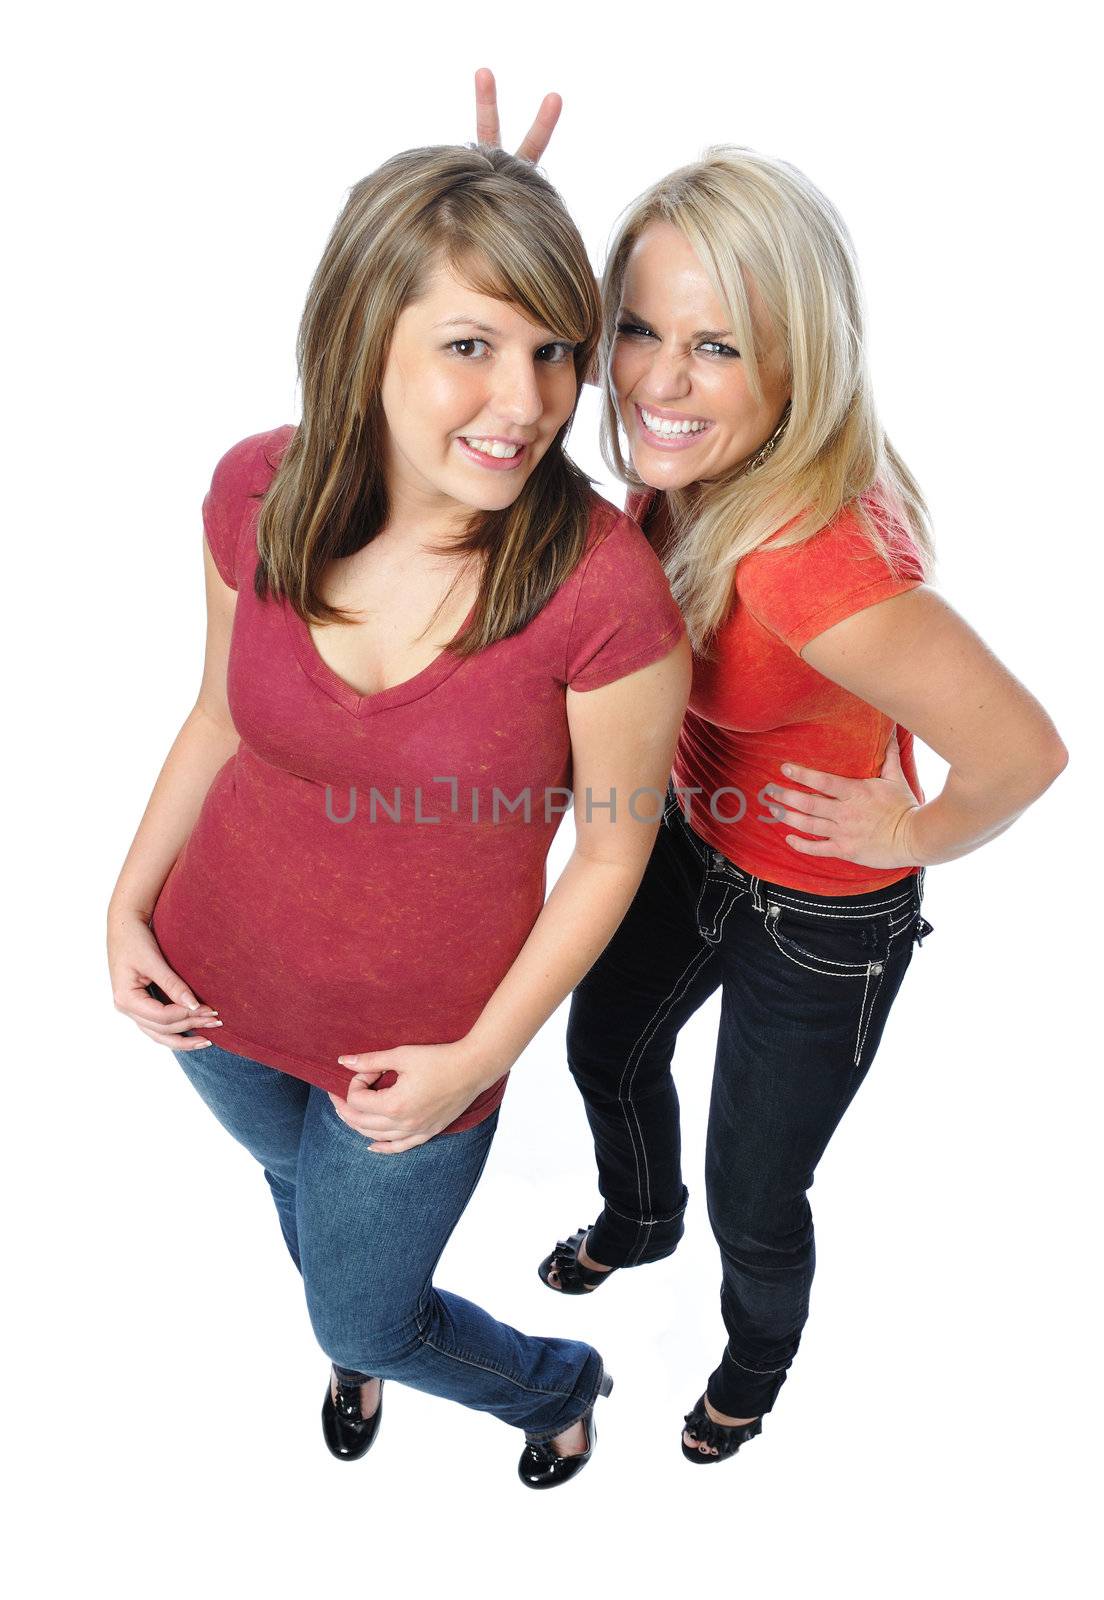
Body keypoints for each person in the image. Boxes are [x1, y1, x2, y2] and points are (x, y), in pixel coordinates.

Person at [468, 78, 1070, 1463]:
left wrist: (914, 829)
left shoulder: (813, 571)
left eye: (719, 348)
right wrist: (484, 216)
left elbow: (1027, 750)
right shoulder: (686, 462)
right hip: (694, 834)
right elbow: (509, 385)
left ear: (795, 364)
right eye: (638, 330)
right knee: (609, 1045)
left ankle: (754, 1356)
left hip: (824, 911)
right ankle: (635, 1218)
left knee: (759, 1192)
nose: (658, 383)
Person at [105, 142, 691, 1489]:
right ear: (364, 332)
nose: (525, 402)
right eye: (472, 345)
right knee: (307, 1205)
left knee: (359, 1305)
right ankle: (356, 1320)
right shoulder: (256, 489)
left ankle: (550, 1384)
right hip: (212, 997)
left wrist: (478, 1058)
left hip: (417, 1060)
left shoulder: (603, 594)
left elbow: (612, 849)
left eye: (556, 353)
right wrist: (127, 902)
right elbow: (215, 718)